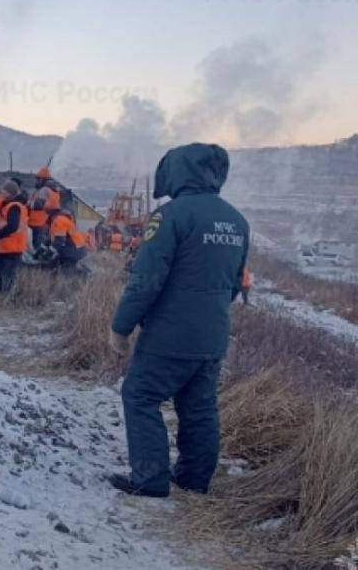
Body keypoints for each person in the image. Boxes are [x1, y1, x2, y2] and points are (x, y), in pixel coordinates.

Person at [107, 143, 250, 498]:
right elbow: (235, 283)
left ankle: (150, 479)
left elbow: (146, 281)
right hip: (213, 335)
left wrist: (121, 327)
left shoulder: (170, 216)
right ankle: (193, 479)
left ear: (178, 171)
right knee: (199, 406)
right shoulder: (237, 221)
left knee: (140, 395)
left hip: (168, 337)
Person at [0, 179, 29, 293]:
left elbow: (12, 226)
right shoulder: (12, 205)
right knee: (1, 274)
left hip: (11, 247)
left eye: (4, 191)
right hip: (9, 246)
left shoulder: (13, 207)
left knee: (6, 276)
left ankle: (7, 299)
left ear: (10, 193)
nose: (2, 194)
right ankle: (6, 297)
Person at [48, 209, 89, 276]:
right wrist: (44, 248)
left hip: (74, 250)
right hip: (77, 249)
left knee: (66, 273)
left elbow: (60, 241)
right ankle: (80, 269)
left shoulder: (59, 220)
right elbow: (53, 239)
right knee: (55, 262)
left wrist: (49, 251)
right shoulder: (62, 220)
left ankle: (84, 274)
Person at [28, 169, 61, 249]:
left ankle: (39, 260)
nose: (36, 181)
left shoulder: (44, 190)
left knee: (38, 246)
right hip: (46, 222)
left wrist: (28, 203)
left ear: (42, 179)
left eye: (38, 179)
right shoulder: (54, 191)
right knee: (43, 245)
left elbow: (38, 205)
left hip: (39, 222)